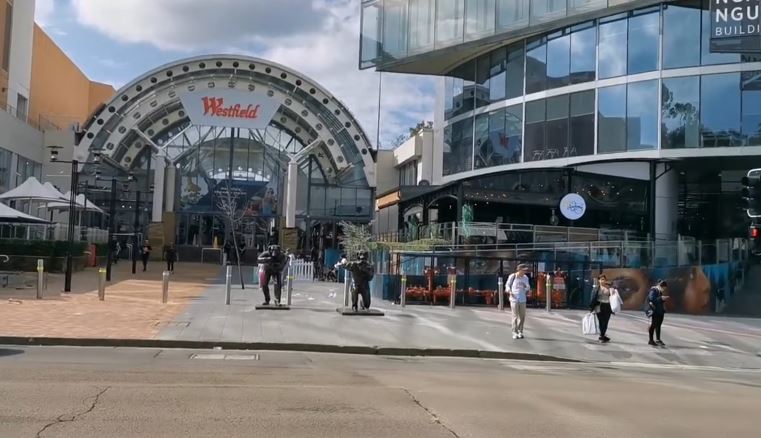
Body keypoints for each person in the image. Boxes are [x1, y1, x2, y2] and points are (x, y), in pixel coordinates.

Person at [589, 274, 617, 343]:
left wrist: (613, 290)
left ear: (605, 280)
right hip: (599, 306)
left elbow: (613, 296)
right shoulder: (596, 288)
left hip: (607, 306)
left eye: (603, 279)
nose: (602, 281)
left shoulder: (609, 288)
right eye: (601, 279)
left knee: (606, 322)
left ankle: (602, 335)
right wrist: (591, 308)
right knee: (601, 322)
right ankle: (602, 336)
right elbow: (592, 298)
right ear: (599, 280)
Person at [506, 264, 531, 339]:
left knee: (522, 316)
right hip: (514, 299)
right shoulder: (512, 276)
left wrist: (526, 288)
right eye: (523, 270)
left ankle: (520, 331)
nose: (525, 272)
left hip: (522, 299)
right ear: (519, 270)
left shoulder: (525, 277)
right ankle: (514, 332)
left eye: (525, 270)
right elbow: (507, 285)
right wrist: (509, 291)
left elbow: (528, 286)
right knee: (515, 316)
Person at [647, 280, 670, 346]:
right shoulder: (654, 290)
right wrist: (661, 298)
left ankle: (658, 339)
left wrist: (663, 300)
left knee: (658, 325)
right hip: (655, 311)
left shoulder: (659, 291)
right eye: (664, 288)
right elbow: (652, 299)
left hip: (660, 311)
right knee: (653, 325)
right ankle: (651, 340)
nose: (664, 289)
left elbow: (658, 300)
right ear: (661, 286)